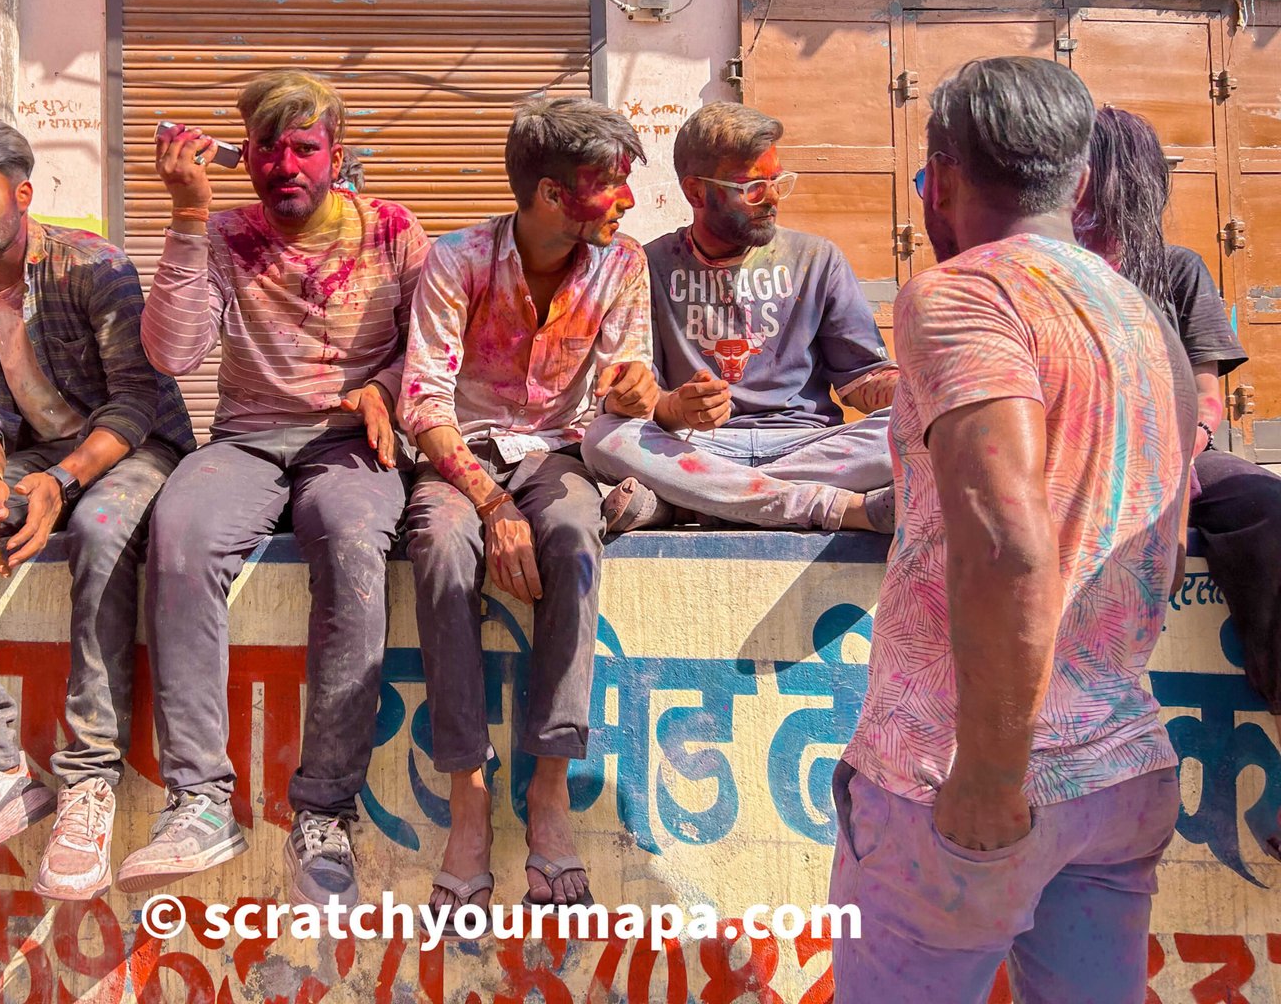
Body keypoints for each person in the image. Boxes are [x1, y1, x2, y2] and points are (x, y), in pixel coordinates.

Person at [832, 58, 1198, 1001]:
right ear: (1077, 183)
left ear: (942, 180)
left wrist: (991, 773)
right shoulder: (1144, 315)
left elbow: (1007, 543)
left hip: (966, 792)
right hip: (1119, 771)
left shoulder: (962, 296)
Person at [119, 71, 428, 907]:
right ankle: (198, 801)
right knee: (179, 534)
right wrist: (184, 217)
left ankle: (324, 811)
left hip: (349, 440)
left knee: (356, 548)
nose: (285, 164)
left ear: (336, 154)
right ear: (244, 155)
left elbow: (438, 344)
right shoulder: (220, 233)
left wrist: (388, 388)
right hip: (249, 438)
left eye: (304, 147)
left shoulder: (392, 229)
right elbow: (174, 356)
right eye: (267, 148)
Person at [0, 119, 194, 901]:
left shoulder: (93, 265)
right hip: (37, 455)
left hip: (133, 450)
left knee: (97, 531)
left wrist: (61, 480)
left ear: (21, 193)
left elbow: (136, 400)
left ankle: (88, 779)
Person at [398, 97, 658, 922]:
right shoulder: (458, 261)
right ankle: (468, 799)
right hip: (462, 456)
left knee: (578, 538)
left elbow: (627, 385)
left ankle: (549, 791)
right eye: (610, 185)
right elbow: (422, 404)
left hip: (561, 453)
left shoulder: (623, 266)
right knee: (440, 548)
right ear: (551, 194)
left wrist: (639, 394)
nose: (625, 199)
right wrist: (491, 503)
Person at [1076, 105, 1281, 861]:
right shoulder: (1048, 269)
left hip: (1177, 457)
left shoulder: (1180, 268)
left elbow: (1205, 392)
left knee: (1265, 506)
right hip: (1079, 463)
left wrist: (1179, 454)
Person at [581, 102, 896, 534]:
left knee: (918, 427)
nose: (772, 199)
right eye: (752, 187)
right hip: (698, 449)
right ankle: (829, 507)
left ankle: (699, 502)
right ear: (696, 192)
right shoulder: (647, 266)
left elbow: (862, 381)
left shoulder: (817, 259)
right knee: (603, 438)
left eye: (778, 182)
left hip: (806, 444)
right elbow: (641, 402)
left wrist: (921, 389)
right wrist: (673, 406)